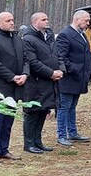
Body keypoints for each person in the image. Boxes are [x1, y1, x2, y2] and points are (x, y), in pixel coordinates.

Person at [0, 11, 28, 162]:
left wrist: (24, 74)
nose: (11, 23)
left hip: (16, 87)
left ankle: (4, 149)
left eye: (12, 20)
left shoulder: (18, 39)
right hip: (0, 87)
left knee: (9, 119)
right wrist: (12, 76)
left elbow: (26, 59)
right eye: (8, 20)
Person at [22, 12, 62, 154]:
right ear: (34, 22)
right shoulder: (28, 39)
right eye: (43, 19)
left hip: (49, 82)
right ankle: (29, 143)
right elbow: (33, 62)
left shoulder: (49, 36)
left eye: (47, 18)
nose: (47, 21)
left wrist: (59, 70)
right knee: (32, 113)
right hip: (35, 82)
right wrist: (51, 73)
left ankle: (38, 142)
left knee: (43, 110)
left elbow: (55, 55)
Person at [55, 10, 91, 146]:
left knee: (72, 107)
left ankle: (72, 132)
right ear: (77, 20)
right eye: (86, 20)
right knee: (64, 107)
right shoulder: (65, 35)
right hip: (69, 78)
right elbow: (61, 57)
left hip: (79, 78)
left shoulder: (81, 34)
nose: (88, 24)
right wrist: (75, 69)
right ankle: (61, 134)